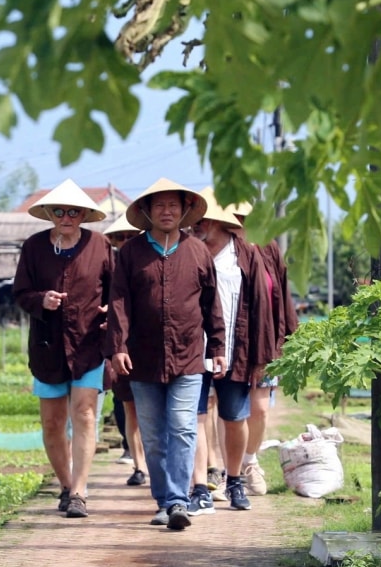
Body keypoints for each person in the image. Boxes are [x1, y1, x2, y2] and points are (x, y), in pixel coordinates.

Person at [108, 178, 225, 531]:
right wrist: (117, 346)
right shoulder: (130, 254)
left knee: (183, 427)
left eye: (173, 205)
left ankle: (177, 501)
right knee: (155, 434)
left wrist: (217, 346)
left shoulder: (198, 251)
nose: (167, 211)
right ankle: (164, 499)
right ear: (146, 212)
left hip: (188, 355)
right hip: (142, 359)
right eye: (159, 206)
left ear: (185, 210)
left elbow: (210, 303)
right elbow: (118, 302)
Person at [13, 179, 114, 519]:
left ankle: (81, 491)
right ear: (51, 215)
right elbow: (20, 293)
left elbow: (116, 291)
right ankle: (67, 484)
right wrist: (42, 299)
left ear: (84, 214)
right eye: (60, 211)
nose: (67, 217)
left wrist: (109, 311)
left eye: (73, 211)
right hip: (47, 347)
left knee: (85, 413)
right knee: (52, 422)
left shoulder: (100, 245)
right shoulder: (34, 247)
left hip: (88, 345)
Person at [189, 189, 274, 513]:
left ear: (221, 223)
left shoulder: (245, 255)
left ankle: (235, 479)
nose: (198, 225)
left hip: (235, 349)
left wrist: (261, 358)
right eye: (196, 220)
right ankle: (199, 486)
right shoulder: (188, 250)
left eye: (205, 220)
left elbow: (261, 309)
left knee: (234, 418)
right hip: (193, 350)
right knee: (194, 417)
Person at [229, 201, 299, 496]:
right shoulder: (219, 245)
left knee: (259, 409)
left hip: (266, 340)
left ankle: (249, 461)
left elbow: (282, 292)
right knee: (229, 411)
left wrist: (290, 336)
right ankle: (224, 470)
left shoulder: (268, 246)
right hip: (229, 340)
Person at [103, 213, 146, 486]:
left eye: (132, 236)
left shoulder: (152, 261)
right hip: (119, 343)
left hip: (148, 342)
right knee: (128, 405)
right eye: (121, 237)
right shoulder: (109, 266)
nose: (126, 241)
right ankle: (138, 464)